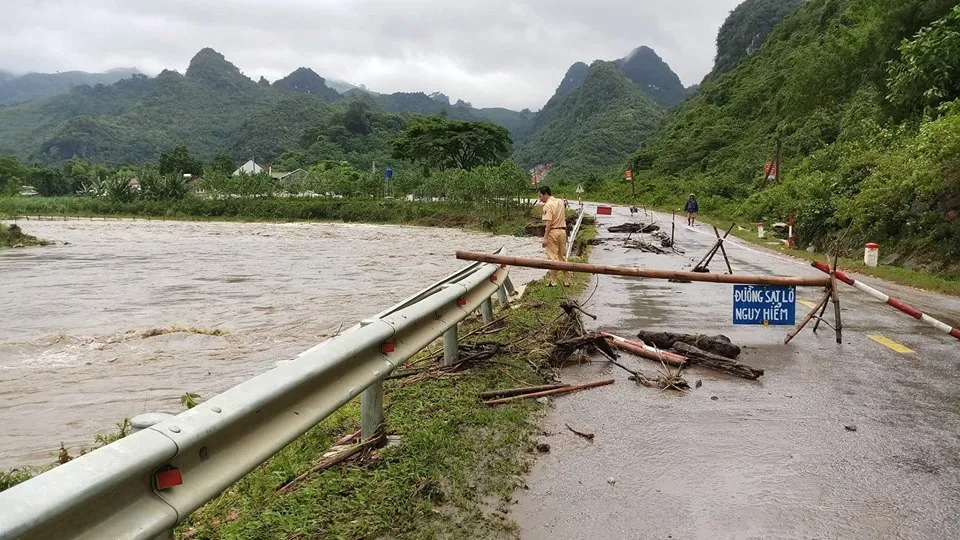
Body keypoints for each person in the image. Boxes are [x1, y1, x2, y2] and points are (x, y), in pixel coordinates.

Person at [538, 186, 570, 287]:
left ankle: (553, 281)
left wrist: (545, 238)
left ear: (545, 194)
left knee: (553, 258)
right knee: (562, 256)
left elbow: (549, 223)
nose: (540, 199)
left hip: (553, 232)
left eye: (540, 196)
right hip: (563, 232)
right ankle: (566, 280)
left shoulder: (548, 205)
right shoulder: (560, 202)